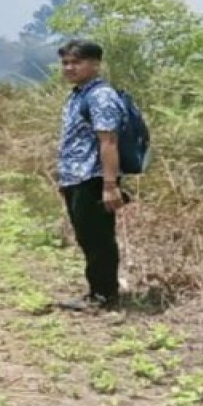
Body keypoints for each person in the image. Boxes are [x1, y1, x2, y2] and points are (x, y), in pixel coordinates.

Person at [55, 40, 130, 312]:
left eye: (77, 62)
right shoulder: (78, 95)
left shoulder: (100, 96)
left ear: (95, 64)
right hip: (76, 178)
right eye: (65, 62)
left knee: (98, 239)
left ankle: (104, 296)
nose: (69, 67)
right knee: (88, 237)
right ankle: (97, 291)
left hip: (94, 179)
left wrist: (110, 186)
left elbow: (108, 141)